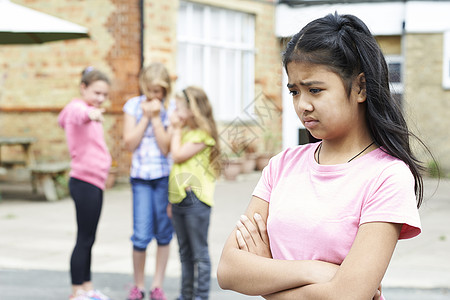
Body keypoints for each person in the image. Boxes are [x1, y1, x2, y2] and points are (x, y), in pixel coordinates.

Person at [217, 13, 430, 299]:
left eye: (315, 90)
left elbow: (346, 295)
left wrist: (266, 278)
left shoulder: (387, 176)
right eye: (294, 91)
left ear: (360, 87)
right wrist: (315, 271)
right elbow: (229, 270)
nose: (302, 105)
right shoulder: (282, 166)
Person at [58, 67, 112, 300]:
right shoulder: (77, 108)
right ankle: (75, 291)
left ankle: (87, 288)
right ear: (83, 88)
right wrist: (91, 114)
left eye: (104, 95)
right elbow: (76, 113)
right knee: (84, 238)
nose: (100, 98)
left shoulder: (83, 110)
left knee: (89, 237)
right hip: (84, 181)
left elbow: (62, 122)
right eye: (96, 92)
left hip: (94, 182)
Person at [123, 62, 174, 300]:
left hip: (163, 178)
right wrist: (145, 117)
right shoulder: (132, 106)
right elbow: (129, 143)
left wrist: (156, 118)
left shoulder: (170, 108)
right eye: (151, 89)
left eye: (159, 91)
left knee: (164, 233)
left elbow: (166, 148)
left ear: (165, 90)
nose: (154, 95)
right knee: (141, 235)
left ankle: (157, 286)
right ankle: (138, 285)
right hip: (141, 179)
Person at [168, 86, 221, 300]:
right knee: (184, 253)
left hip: (195, 200)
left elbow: (177, 155)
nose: (175, 111)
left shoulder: (202, 134)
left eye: (179, 107)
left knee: (199, 253)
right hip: (178, 198)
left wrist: (175, 128)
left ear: (193, 110)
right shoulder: (187, 132)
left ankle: (200, 296)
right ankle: (185, 295)